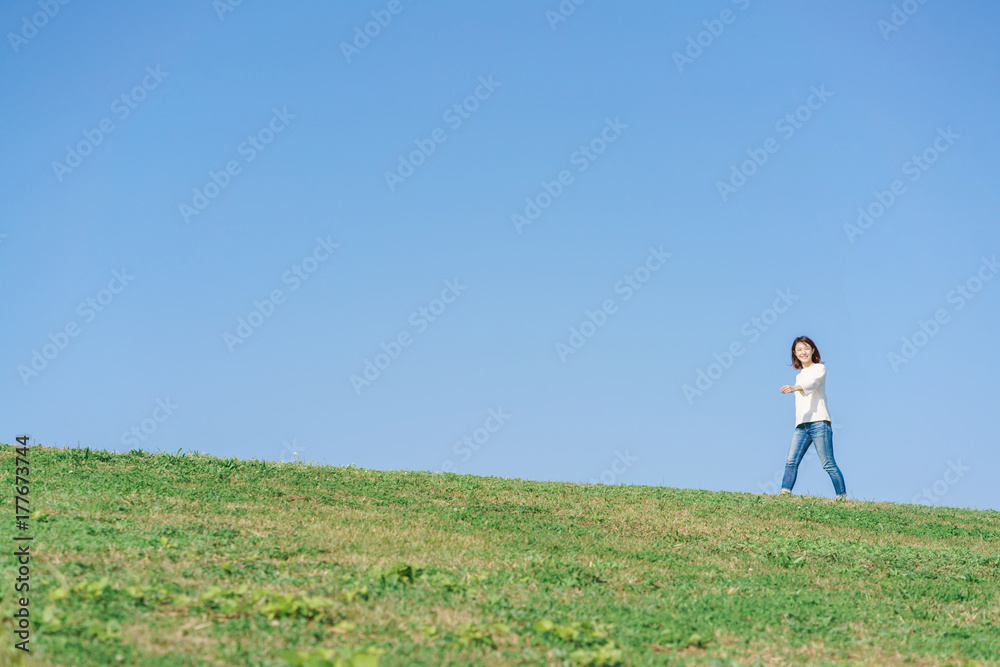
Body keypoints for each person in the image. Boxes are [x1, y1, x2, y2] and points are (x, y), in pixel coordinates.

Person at [778, 336, 847, 500]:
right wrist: (796, 386)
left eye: (806, 348)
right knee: (791, 461)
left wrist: (795, 388)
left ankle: (842, 497)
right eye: (799, 350)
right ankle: (784, 494)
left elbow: (813, 384)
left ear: (813, 350)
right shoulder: (799, 375)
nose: (803, 352)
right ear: (794, 353)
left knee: (828, 463)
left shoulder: (819, 369)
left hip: (819, 423)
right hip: (801, 425)